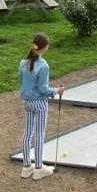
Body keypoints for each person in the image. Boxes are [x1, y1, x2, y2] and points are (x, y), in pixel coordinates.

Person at [19, 33, 64, 179]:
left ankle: (26, 167)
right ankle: (38, 168)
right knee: (39, 135)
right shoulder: (43, 66)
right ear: (45, 47)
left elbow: (22, 82)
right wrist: (56, 91)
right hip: (39, 103)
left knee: (27, 134)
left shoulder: (22, 63)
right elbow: (43, 89)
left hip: (27, 102)